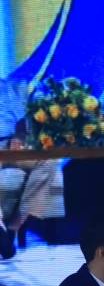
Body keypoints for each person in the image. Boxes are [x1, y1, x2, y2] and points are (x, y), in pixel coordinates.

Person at [0, 77, 63, 258]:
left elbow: (25, 119)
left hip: (8, 145)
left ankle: (11, 229)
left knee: (48, 163)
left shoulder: (10, 88)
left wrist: (20, 137)